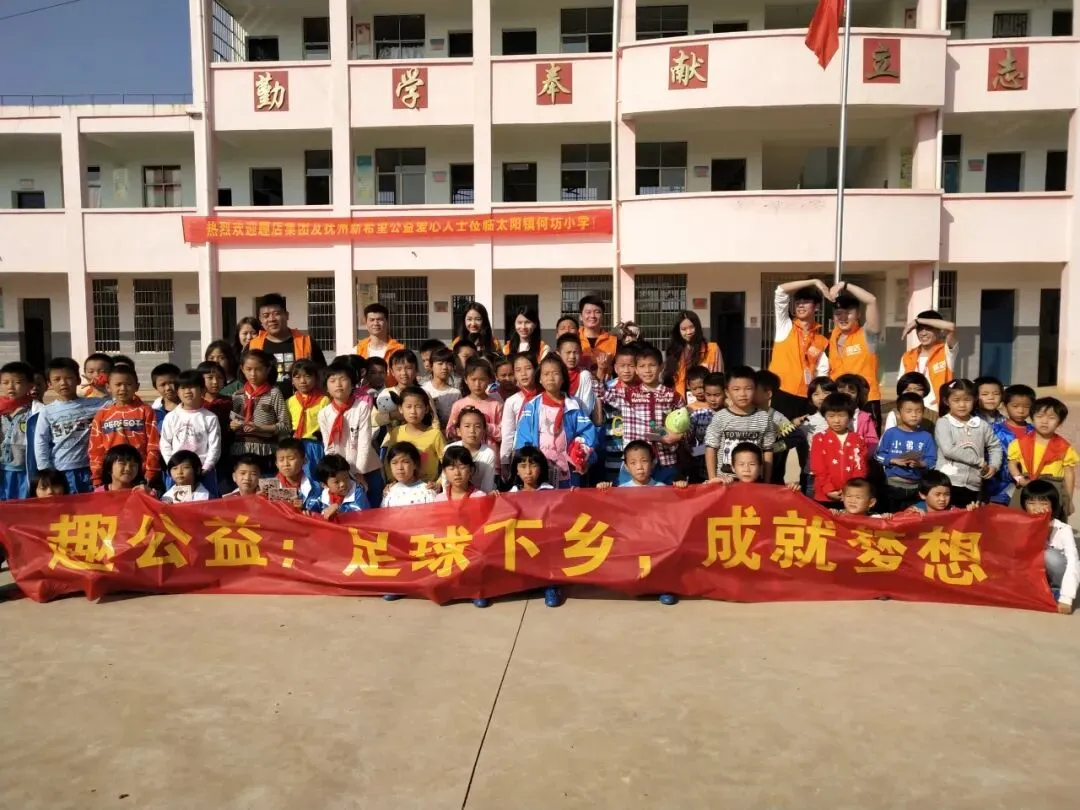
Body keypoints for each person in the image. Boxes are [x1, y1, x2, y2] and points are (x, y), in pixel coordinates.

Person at [514, 353, 597, 488]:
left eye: (555, 373)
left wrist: (581, 453)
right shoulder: (532, 407)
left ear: (563, 378)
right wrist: (528, 464)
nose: (550, 378)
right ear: (540, 379)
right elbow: (523, 439)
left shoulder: (573, 406)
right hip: (539, 471)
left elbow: (588, 433)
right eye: (546, 374)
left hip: (567, 471)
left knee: (568, 499)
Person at [605, 344, 684, 485]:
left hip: (665, 463)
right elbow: (601, 392)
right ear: (636, 369)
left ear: (661, 367)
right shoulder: (627, 394)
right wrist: (602, 369)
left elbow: (686, 425)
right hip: (634, 465)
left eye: (652, 365)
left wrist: (679, 436)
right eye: (642, 366)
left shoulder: (673, 396)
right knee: (628, 499)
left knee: (665, 499)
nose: (647, 370)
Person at [33, 357, 103, 494]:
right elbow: (41, 440)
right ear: (49, 384)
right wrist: (45, 469)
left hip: (90, 468)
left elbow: (117, 403)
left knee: (90, 503)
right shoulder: (47, 411)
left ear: (78, 380)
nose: (63, 383)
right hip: (61, 470)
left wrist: (101, 389)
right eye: (57, 379)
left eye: (69, 378)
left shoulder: (95, 404)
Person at [89, 365, 161, 489]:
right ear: (108, 387)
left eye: (128, 384)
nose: (123, 388)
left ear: (137, 386)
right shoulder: (102, 415)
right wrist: (97, 476)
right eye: (118, 384)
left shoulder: (146, 411)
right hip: (112, 476)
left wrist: (150, 472)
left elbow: (153, 444)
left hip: (139, 474)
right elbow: (95, 449)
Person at [319, 360, 382, 503]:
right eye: (332, 381)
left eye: (343, 379)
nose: (338, 384)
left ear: (353, 384)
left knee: (374, 504)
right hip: (341, 473)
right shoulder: (324, 413)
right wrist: (336, 472)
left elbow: (364, 442)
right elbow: (329, 446)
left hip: (367, 467)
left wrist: (359, 472)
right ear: (326, 387)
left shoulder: (362, 407)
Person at [767, 278, 831, 420]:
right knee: (781, 433)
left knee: (804, 434)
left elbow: (822, 371)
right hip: (782, 393)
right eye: (797, 303)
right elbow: (780, 291)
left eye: (806, 302)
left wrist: (819, 396)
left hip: (806, 397)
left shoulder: (821, 340)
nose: (801, 306)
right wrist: (814, 281)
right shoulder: (786, 326)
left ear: (816, 307)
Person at [935, 379, 1001, 509]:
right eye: (956, 400)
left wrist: (994, 466)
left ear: (975, 400)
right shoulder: (944, 422)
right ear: (946, 401)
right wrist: (978, 461)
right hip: (947, 482)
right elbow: (948, 450)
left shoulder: (981, 425)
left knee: (967, 518)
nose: (962, 405)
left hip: (974, 484)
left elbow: (995, 446)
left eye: (967, 400)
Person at [704, 366, 777, 483]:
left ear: (755, 389)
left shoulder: (764, 417)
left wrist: (767, 482)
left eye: (748, 388)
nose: (742, 394)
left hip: (754, 482)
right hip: (725, 482)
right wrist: (713, 479)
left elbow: (768, 450)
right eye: (736, 389)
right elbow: (711, 448)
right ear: (727, 392)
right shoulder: (720, 417)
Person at [1008, 397, 1077, 517]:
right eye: (1039, 416)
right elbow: (1012, 463)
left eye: (1051, 418)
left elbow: (1069, 473)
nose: (1044, 421)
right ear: (1032, 418)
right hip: (1027, 486)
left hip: (1052, 488)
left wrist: (1069, 499)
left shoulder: (1064, 447)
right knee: (1018, 520)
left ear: (1059, 422)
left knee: (1052, 523)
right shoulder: (1019, 443)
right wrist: (1019, 479)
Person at [248, 294, 327, 396]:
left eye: (276, 314)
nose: (271, 319)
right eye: (266, 316)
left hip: (301, 403)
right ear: (260, 319)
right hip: (264, 404)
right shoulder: (253, 346)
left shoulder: (306, 342)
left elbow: (322, 375)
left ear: (287, 315)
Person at [828, 282, 882, 429]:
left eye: (848, 313)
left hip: (865, 401)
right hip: (839, 402)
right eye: (839, 313)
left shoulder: (867, 334)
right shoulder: (834, 336)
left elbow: (871, 300)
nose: (843, 317)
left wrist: (844, 285)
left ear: (858, 314)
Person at [1019, 480, 1078, 615]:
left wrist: (1066, 598)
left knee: (1048, 555)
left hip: (1058, 575)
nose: (1037, 508)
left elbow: (1073, 562)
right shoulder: (1019, 524)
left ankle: (1056, 590)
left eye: (1044, 503)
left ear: (1053, 506)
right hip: (1033, 576)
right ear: (1024, 505)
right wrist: (974, 511)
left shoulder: (1063, 529)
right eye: (1031, 503)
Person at [160, 370, 221, 496]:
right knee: (177, 504)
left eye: (192, 387)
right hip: (178, 474)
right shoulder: (171, 417)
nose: (187, 391)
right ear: (177, 391)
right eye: (183, 388)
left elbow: (215, 447)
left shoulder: (210, 418)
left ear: (203, 390)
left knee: (206, 503)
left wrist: (206, 468)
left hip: (203, 472)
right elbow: (165, 444)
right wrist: (173, 467)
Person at [230, 348, 290, 473]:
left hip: (265, 450)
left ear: (267, 370)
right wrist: (232, 426)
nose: (253, 374)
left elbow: (285, 426)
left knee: (265, 482)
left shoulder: (274, 393)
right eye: (249, 369)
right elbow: (230, 424)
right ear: (242, 369)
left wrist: (260, 428)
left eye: (258, 369)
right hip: (240, 450)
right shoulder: (237, 395)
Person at [876, 392, 937, 513]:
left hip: (916, 488)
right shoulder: (891, 433)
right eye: (909, 411)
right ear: (899, 414)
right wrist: (893, 460)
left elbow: (932, 461)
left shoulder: (926, 437)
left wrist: (921, 464)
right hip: (892, 486)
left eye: (918, 411)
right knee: (892, 517)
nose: (914, 415)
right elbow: (878, 455)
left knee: (912, 518)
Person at [809, 392, 868, 507]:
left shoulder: (858, 439)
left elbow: (861, 468)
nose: (836, 420)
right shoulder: (819, 439)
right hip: (824, 496)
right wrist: (828, 489)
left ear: (850, 416)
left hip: (850, 497)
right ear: (824, 416)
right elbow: (818, 467)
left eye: (841, 416)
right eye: (831, 416)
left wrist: (850, 491)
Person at [381, 385, 445, 485]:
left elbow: (447, 462)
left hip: (428, 487)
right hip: (401, 486)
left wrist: (439, 483)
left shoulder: (435, 434)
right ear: (400, 408)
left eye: (418, 406)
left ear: (426, 409)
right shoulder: (396, 432)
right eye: (408, 407)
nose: (413, 411)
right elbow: (388, 460)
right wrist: (392, 481)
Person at [900, 310, 958, 411]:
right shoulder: (908, 356)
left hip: (939, 411)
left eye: (929, 329)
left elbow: (951, 327)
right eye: (920, 329)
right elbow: (902, 387)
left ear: (939, 330)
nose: (923, 333)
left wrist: (917, 321)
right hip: (914, 411)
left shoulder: (946, 351)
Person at [447, 357, 502, 458]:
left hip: (490, 456)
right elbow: (450, 432)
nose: (477, 384)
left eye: (482, 379)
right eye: (473, 379)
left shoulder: (496, 405)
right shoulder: (458, 405)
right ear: (466, 380)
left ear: (489, 380)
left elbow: (502, 434)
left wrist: (484, 426)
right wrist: (460, 427)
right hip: (464, 457)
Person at [0, 361, 40, 500]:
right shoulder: (1, 410)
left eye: (17, 382)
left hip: (25, 471)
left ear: (30, 385)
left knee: (23, 506)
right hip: (3, 471)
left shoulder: (36, 411)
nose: (10, 387)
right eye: (5, 382)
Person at [600, 344, 638, 483]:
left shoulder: (644, 388)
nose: (626, 370)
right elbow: (599, 418)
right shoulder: (607, 388)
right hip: (613, 448)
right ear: (616, 368)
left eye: (631, 366)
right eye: (622, 366)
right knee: (614, 488)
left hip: (637, 451)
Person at [662, 310, 722, 399]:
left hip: (707, 402)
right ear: (678, 331)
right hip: (680, 402)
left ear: (697, 327)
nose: (688, 332)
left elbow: (718, 380)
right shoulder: (674, 352)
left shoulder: (712, 349)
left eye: (691, 327)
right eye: (684, 329)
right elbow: (669, 381)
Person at [754, 369, 799, 485]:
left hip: (772, 473)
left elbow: (795, 437)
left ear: (768, 394)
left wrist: (773, 449)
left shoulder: (776, 417)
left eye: (753, 389)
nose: (748, 393)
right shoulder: (745, 413)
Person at [286, 359, 329, 478]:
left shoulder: (324, 400)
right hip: (295, 445)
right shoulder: (289, 402)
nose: (302, 381)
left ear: (316, 378)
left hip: (315, 445)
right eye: (297, 377)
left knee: (315, 476)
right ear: (292, 380)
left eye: (307, 376)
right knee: (297, 476)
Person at [499, 352, 538, 473]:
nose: (523, 373)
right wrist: (505, 461)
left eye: (528, 368)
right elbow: (508, 433)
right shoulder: (512, 401)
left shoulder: (546, 396)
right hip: (521, 454)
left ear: (536, 369)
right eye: (518, 370)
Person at [597, 440, 690, 490]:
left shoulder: (661, 488)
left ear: (652, 463)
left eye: (644, 461)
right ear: (626, 467)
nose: (639, 467)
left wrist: (680, 488)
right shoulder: (622, 490)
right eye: (633, 463)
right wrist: (604, 489)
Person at [446, 407, 496, 493]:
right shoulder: (449, 450)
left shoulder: (488, 454)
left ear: (484, 431)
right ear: (458, 431)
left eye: (477, 426)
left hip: (479, 496)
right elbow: (446, 481)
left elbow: (487, 486)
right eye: (467, 426)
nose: (472, 430)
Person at [689, 371, 725, 483]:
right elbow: (689, 445)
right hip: (701, 470)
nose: (712, 399)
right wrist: (701, 451)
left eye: (717, 395)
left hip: (726, 472)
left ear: (726, 392)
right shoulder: (698, 415)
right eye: (708, 395)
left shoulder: (731, 415)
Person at [556, 333, 600, 421]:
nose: (572, 357)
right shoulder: (553, 375)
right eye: (568, 353)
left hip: (579, 422)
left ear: (581, 353)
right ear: (558, 354)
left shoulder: (585, 376)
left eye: (575, 352)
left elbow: (587, 408)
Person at [312, 453, 371, 518]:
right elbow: (312, 509)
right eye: (336, 482)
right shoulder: (324, 497)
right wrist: (305, 511)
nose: (343, 484)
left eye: (346, 478)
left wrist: (339, 509)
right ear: (324, 485)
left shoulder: (358, 493)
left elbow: (360, 513)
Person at [835, 374, 879, 456]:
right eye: (842, 391)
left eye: (852, 392)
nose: (846, 394)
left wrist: (863, 452)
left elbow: (873, 442)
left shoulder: (865, 417)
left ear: (858, 395)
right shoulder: (829, 414)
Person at [382, 442, 437, 507]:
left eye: (405, 462)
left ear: (415, 464)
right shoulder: (389, 492)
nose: (400, 467)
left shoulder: (427, 491)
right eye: (394, 463)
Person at [273, 438, 321, 508]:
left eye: (291, 458)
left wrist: (303, 509)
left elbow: (321, 510)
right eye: (281, 460)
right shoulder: (270, 488)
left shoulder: (316, 487)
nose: (286, 464)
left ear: (304, 460)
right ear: (276, 464)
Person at [423, 347, 463, 429]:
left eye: (449, 364)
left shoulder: (456, 393)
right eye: (440, 363)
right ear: (431, 366)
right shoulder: (423, 389)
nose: (444, 367)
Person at [577, 295, 618, 373]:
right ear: (581, 316)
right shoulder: (573, 338)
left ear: (603, 316)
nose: (592, 316)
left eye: (597, 312)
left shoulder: (614, 341)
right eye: (588, 312)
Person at [150, 363, 181, 429]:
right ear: (155, 387)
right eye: (163, 384)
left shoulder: (190, 408)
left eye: (172, 383)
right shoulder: (153, 411)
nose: (168, 388)